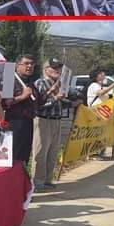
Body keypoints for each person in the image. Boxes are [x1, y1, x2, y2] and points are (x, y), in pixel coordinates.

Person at [33, 59, 75, 190]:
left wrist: (71, 102)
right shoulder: (40, 83)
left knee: (53, 151)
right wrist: (55, 98)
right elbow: (38, 105)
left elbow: (62, 101)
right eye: (54, 68)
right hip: (43, 119)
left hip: (56, 119)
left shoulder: (59, 84)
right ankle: (37, 181)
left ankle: (47, 179)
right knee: (41, 152)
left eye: (58, 68)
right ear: (46, 69)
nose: (57, 70)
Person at [2, 55, 36, 162]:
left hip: (28, 122)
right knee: (14, 154)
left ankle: (23, 178)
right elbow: (5, 103)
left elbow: (37, 101)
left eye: (32, 64)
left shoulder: (30, 82)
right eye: (26, 63)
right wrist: (22, 97)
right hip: (14, 122)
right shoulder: (10, 80)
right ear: (18, 65)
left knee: (25, 154)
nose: (29, 66)